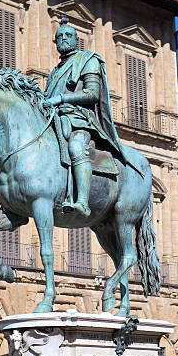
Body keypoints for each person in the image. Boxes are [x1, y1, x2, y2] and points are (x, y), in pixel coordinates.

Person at [44, 16, 126, 218]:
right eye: (59, 36)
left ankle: (82, 202)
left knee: (75, 147)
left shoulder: (88, 60)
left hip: (79, 120)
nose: (63, 38)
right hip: (55, 119)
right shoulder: (55, 71)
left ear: (75, 39)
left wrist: (61, 98)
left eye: (68, 35)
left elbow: (92, 94)